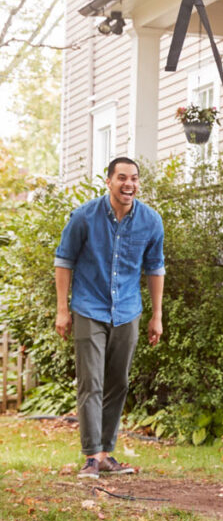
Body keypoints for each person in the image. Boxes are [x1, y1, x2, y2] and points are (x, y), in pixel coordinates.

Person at [55, 157, 165, 478]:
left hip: (128, 311)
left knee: (118, 382)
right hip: (89, 307)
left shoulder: (150, 221)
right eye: (121, 178)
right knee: (92, 382)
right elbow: (64, 261)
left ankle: (106, 452)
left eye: (133, 178)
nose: (128, 184)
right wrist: (63, 310)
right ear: (108, 181)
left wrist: (156, 316)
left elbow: (155, 269)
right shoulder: (84, 217)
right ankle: (91, 455)